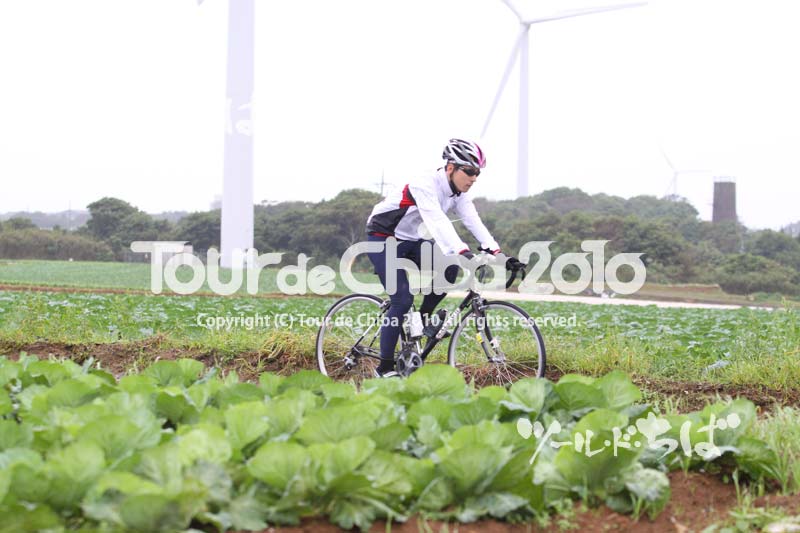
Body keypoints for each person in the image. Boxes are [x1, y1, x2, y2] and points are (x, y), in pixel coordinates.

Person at [365, 138, 523, 377]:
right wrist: (462, 251)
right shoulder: (424, 184)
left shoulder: (458, 194)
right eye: (469, 171)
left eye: (477, 173)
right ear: (450, 167)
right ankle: (384, 368)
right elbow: (437, 221)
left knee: (449, 267)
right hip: (382, 237)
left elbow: (473, 221)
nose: (473, 178)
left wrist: (499, 254)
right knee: (402, 300)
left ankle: (422, 321)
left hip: (409, 239)